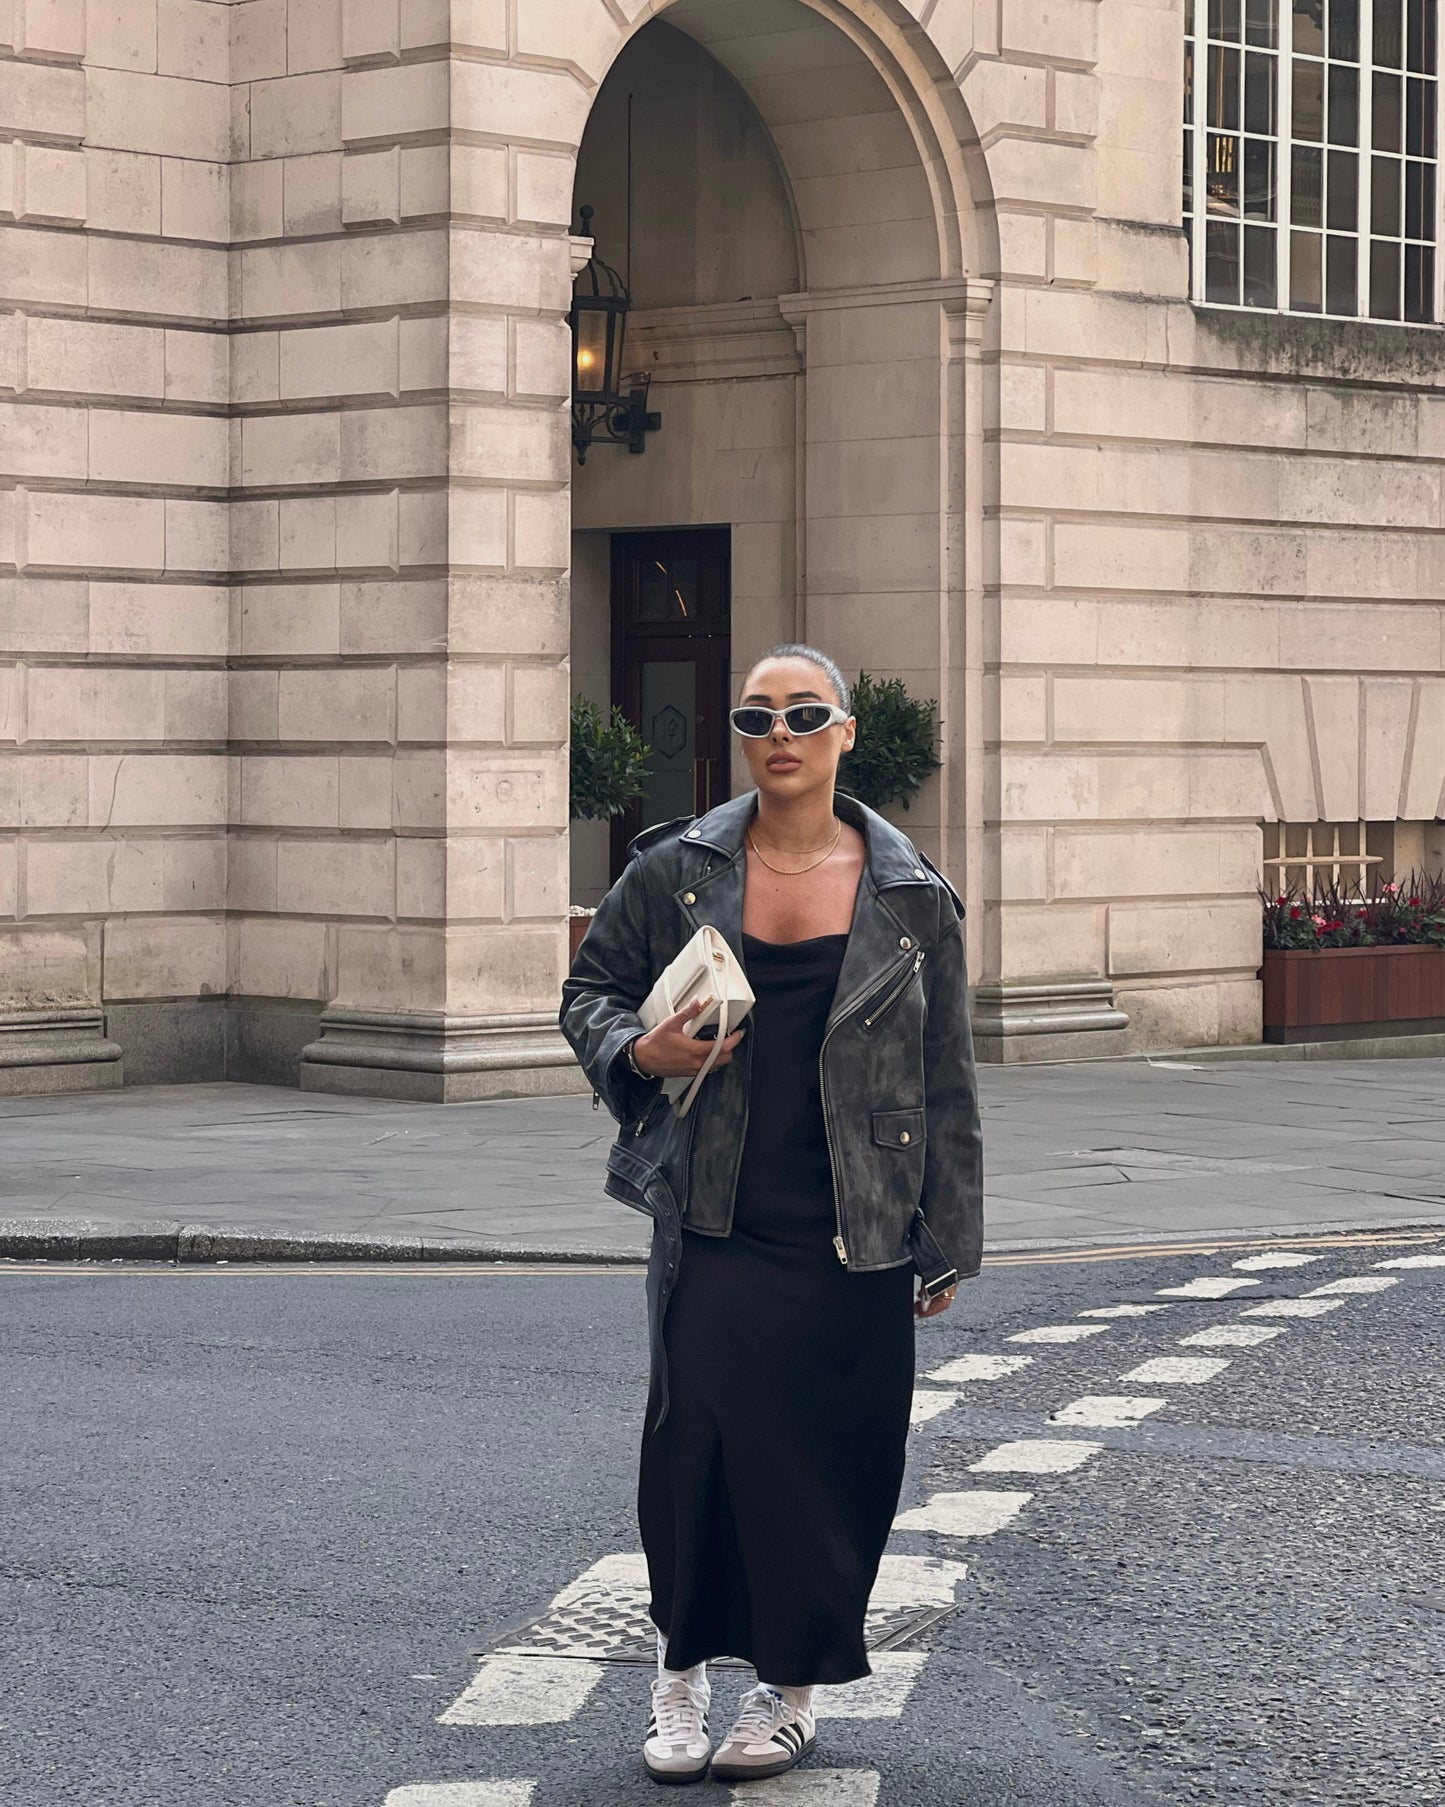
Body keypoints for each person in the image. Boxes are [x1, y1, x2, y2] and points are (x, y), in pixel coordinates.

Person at [560, 644, 983, 1785]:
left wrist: (949, 1233)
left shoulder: (908, 894)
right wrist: (635, 1049)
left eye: (804, 713)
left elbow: (946, 1074)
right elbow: (586, 991)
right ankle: (679, 1674)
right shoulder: (678, 867)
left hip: (856, 1216)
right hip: (711, 1209)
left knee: (824, 1460)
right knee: (692, 1442)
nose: (778, 731)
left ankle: (786, 1697)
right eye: (757, 713)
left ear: (844, 733)